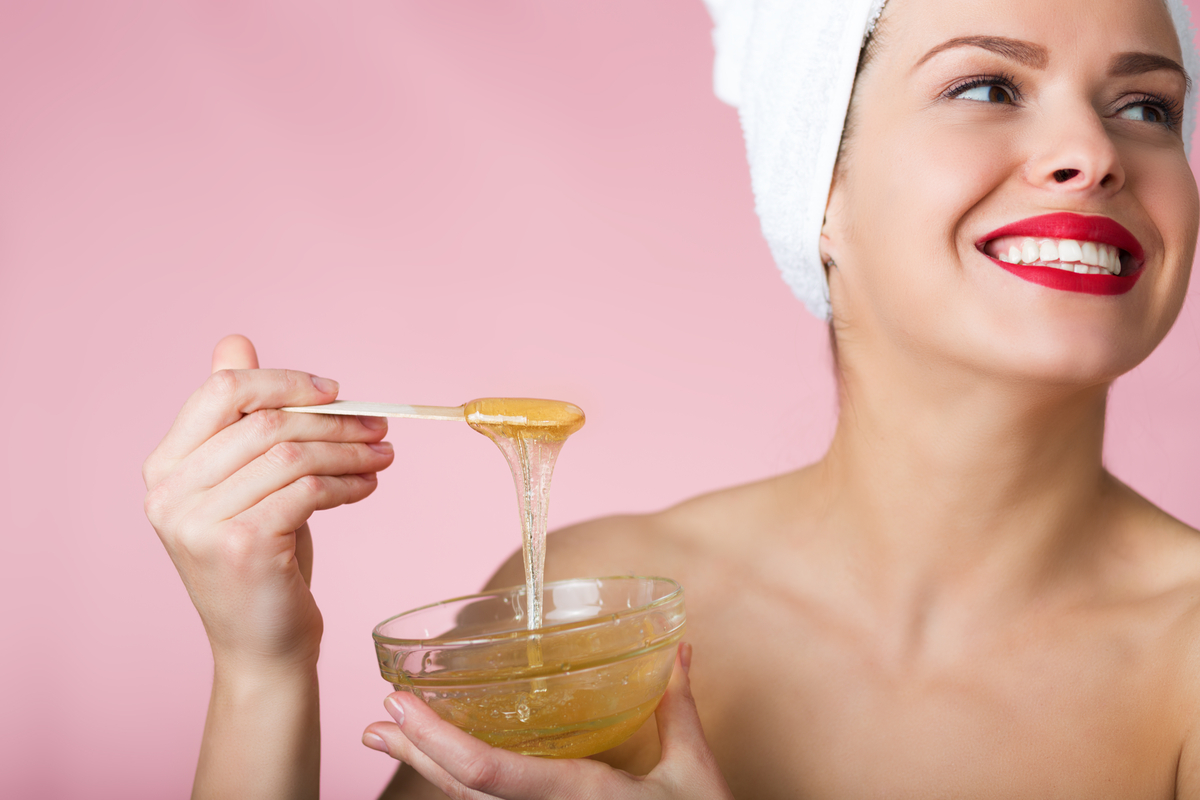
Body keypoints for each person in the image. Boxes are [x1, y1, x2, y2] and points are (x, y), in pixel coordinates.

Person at [142, 0, 1200, 796]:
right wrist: (261, 669)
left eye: (1147, 105)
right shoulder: (589, 615)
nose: (1095, 154)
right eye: (987, 87)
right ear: (816, 187)